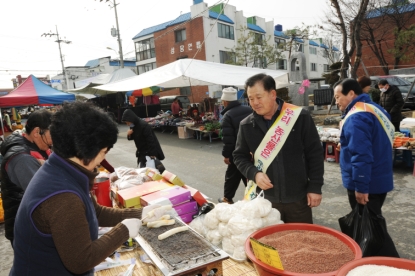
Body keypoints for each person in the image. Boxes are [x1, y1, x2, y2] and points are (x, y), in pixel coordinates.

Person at [10, 102, 169, 275]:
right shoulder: (62, 196)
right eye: (103, 152)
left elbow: (96, 212)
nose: (102, 160)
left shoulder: (63, 171)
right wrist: (123, 231)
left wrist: (141, 214)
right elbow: (81, 261)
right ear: (86, 151)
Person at [233, 74, 324, 223]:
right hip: (265, 201)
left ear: (273, 94)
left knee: (300, 241)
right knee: (270, 243)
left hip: (297, 198)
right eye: (250, 98)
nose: (255, 103)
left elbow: (314, 154)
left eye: (259, 97)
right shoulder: (247, 125)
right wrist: (254, 174)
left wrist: (315, 187)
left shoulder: (299, 117)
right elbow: (239, 156)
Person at [334, 78, 399, 257]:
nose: (336, 101)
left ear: (352, 94)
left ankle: (391, 264)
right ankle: (370, 259)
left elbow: (361, 154)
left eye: (338, 96)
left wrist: (361, 187)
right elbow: (373, 142)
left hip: (366, 182)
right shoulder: (376, 109)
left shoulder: (357, 116)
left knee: (373, 229)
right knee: (372, 223)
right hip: (380, 177)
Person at [0, 109, 52, 247]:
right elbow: (44, 194)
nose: (53, 140)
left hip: (33, 226)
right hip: (27, 231)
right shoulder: (22, 158)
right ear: (36, 132)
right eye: (51, 134)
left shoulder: (36, 147)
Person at [218, 87, 252, 204]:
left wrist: (227, 155)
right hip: (252, 151)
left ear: (225, 101)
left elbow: (229, 139)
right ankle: (256, 198)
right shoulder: (249, 109)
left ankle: (227, 198)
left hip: (236, 152)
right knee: (249, 175)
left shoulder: (228, 115)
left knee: (232, 176)